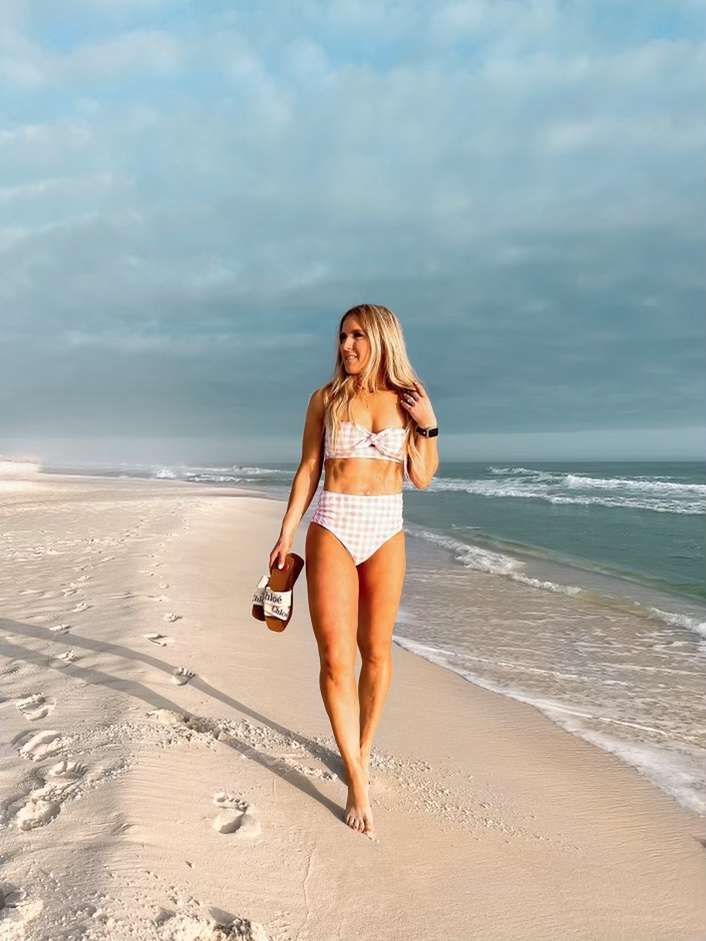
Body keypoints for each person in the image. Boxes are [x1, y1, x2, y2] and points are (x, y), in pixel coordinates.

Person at [269, 304, 439, 838]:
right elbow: (309, 469)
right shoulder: (326, 399)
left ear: (383, 339)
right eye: (343, 336)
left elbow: (424, 477)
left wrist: (429, 424)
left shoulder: (408, 399)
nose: (346, 346)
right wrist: (285, 533)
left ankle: (361, 749)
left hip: (386, 530)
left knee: (378, 652)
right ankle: (357, 783)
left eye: (357, 336)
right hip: (333, 526)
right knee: (337, 661)